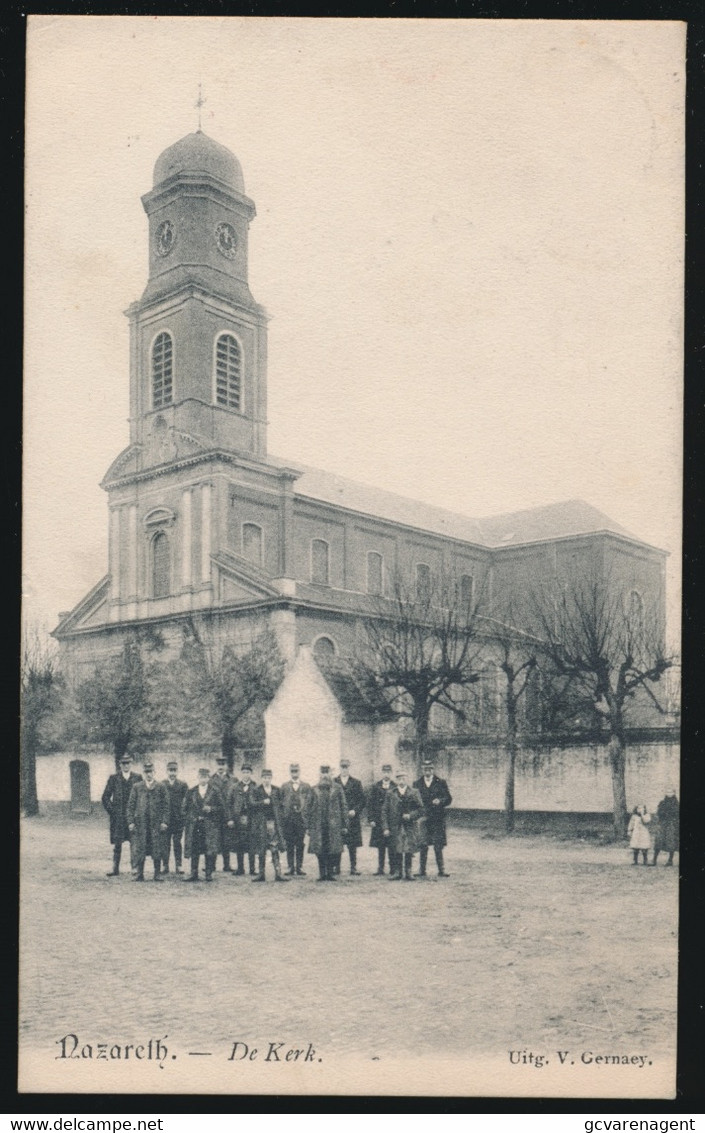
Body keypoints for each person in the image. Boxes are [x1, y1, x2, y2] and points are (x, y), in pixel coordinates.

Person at [126, 760, 169, 882]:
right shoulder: (137, 787)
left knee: (157, 848)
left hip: (156, 824)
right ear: (143, 773)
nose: (148, 774)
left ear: (154, 772)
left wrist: (164, 821)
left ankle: (157, 874)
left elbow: (166, 806)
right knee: (140, 848)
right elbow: (130, 806)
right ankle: (140, 874)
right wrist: (130, 822)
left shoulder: (161, 787)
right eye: (146, 772)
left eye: (150, 772)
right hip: (141, 825)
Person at [101, 754, 143, 877]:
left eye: (128, 763)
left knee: (134, 843)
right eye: (123, 763)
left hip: (132, 817)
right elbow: (105, 797)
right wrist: (112, 811)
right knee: (117, 844)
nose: (126, 765)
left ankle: (134, 868)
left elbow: (141, 797)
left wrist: (138, 812)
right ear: (120, 765)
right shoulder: (113, 778)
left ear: (131, 764)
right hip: (118, 817)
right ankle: (115, 869)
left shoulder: (137, 777)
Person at [306, 765, 348, 881]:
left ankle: (330, 873)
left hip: (333, 825)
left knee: (332, 849)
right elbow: (307, 808)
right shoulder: (313, 789)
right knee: (319, 850)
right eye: (322, 773)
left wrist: (345, 824)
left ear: (331, 774)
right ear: (319, 774)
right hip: (318, 825)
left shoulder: (338, 788)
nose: (325, 775)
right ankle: (322, 873)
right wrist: (308, 826)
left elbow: (343, 806)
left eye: (327, 772)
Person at [382, 770, 424, 880]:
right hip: (395, 825)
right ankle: (398, 871)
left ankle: (409, 871)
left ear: (407, 779)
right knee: (397, 847)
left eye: (403, 778)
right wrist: (385, 827)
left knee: (409, 847)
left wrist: (411, 815)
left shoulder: (414, 792)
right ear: (396, 780)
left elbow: (421, 809)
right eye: (399, 779)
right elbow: (384, 811)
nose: (401, 781)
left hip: (409, 826)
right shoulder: (390, 793)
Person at [413, 757, 452, 878]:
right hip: (423, 818)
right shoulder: (417, 784)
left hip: (437, 818)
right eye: (425, 769)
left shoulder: (441, 782)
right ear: (422, 770)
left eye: (429, 769)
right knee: (423, 844)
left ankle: (441, 870)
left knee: (438, 844)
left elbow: (449, 798)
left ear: (433, 770)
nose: (427, 771)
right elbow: (413, 801)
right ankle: (422, 870)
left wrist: (440, 800)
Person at [182, 768, 223, 882]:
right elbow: (184, 809)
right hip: (195, 826)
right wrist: (191, 818)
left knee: (208, 849)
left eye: (205, 777)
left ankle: (208, 874)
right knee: (194, 849)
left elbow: (221, 808)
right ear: (198, 777)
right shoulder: (191, 791)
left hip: (209, 826)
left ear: (208, 778)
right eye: (201, 777)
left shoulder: (215, 791)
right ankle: (193, 873)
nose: (203, 779)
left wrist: (211, 809)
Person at [250, 768, 288, 882]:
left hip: (273, 823)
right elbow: (251, 803)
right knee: (261, 848)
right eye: (264, 778)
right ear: (261, 778)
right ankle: (261, 874)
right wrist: (262, 803)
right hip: (261, 823)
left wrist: (279, 814)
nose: (266, 780)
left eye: (268, 778)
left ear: (271, 778)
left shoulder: (276, 790)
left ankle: (278, 874)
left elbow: (282, 804)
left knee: (274, 848)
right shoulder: (256, 790)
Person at [280, 763, 313, 876]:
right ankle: (290, 867)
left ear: (299, 772)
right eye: (292, 771)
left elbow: (309, 804)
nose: (295, 773)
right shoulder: (284, 786)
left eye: (296, 771)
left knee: (300, 843)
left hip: (301, 819)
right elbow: (281, 804)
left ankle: (299, 867)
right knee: (289, 843)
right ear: (290, 772)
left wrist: (307, 821)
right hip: (288, 819)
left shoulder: (306, 786)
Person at [333, 759, 365, 875]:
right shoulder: (334, 782)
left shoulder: (356, 783)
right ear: (340, 768)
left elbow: (362, 800)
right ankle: (336, 867)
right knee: (338, 843)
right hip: (339, 818)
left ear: (349, 768)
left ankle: (353, 867)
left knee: (353, 844)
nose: (344, 769)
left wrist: (355, 810)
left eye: (346, 767)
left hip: (352, 818)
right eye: (342, 767)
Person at [210, 755, 238, 872]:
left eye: (223, 765)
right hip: (215, 813)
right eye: (219, 765)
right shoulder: (211, 780)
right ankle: (212, 865)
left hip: (228, 814)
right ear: (215, 766)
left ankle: (227, 865)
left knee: (227, 839)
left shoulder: (233, 780)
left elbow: (235, 798)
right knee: (214, 839)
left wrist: (231, 816)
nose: (220, 767)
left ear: (226, 766)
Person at [368, 763, 396, 875]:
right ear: (382, 773)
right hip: (378, 820)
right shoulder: (376, 786)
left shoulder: (395, 786)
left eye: (388, 772)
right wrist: (371, 819)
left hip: (391, 820)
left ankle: (393, 868)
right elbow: (370, 804)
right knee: (381, 845)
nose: (386, 774)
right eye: (384, 772)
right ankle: (380, 868)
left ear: (391, 773)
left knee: (392, 845)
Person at [161, 760, 188, 874]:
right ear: (167, 771)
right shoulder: (161, 784)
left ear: (177, 771)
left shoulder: (182, 785)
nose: (172, 773)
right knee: (165, 843)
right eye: (170, 770)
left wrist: (183, 816)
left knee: (177, 842)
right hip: (166, 819)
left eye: (174, 770)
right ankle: (165, 865)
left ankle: (179, 865)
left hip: (178, 819)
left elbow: (186, 801)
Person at [232, 763, 258, 876]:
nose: (246, 774)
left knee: (252, 843)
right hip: (239, 818)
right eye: (244, 772)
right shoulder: (235, 787)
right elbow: (229, 803)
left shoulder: (256, 787)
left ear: (251, 773)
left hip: (252, 818)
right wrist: (231, 818)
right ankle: (240, 868)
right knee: (239, 843)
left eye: (248, 772)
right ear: (241, 773)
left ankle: (252, 869)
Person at [651, 787, 679, 866]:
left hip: (672, 824)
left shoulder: (676, 804)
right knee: (659, 841)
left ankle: (670, 860)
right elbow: (658, 813)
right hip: (662, 824)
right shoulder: (662, 803)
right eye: (667, 792)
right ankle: (654, 860)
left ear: (674, 793)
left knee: (671, 842)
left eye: (671, 792)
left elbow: (677, 815)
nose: (669, 793)